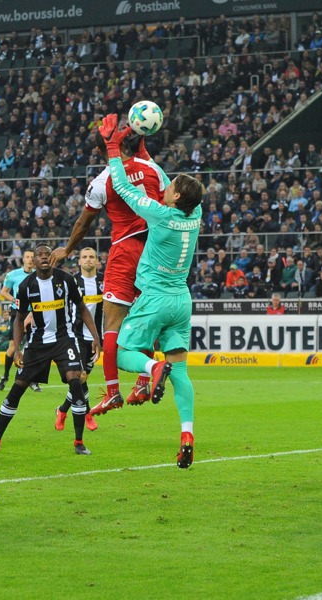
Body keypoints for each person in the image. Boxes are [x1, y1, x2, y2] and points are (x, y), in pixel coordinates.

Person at [99, 114, 204, 469]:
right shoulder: (196, 213)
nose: (166, 186)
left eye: (170, 185)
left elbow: (125, 189)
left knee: (124, 350)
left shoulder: (160, 215)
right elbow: (176, 186)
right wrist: (141, 145)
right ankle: (187, 434)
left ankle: (152, 367)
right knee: (183, 373)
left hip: (156, 297)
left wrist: (114, 148)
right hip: (182, 302)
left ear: (173, 195)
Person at [50, 132, 164, 415]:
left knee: (111, 325)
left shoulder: (103, 181)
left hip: (125, 251)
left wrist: (67, 249)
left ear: (102, 151)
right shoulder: (152, 169)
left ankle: (113, 392)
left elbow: (84, 222)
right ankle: (142, 383)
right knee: (147, 320)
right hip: (155, 250)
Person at [0, 244, 101, 455]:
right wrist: (18, 349)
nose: (44, 258)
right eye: (40, 255)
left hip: (64, 339)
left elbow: (82, 308)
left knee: (76, 380)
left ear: (52, 259)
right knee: (17, 388)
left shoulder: (65, 280)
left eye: (48, 254)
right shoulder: (26, 286)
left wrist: (95, 337)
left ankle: (79, 442)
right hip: (37, 344)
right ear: (34, 261)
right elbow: (19, 319)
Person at [54, 247, 101, 433]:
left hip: (96, 337)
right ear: (79, 261)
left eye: (91, 257)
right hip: (76, 336)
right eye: (84, 257)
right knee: (79, 376)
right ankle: (87, 412)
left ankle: (63, 409)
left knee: (83, 378)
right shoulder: (71, 281)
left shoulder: (104, 282)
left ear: (97, 261)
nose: (88, 260)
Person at [0, 249, 41, 392]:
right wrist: (14, 300)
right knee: (13, 346)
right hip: (18, 313)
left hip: (35, 312)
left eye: (32, 257)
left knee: (34, 346)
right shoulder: (13, 275)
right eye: (27, 257)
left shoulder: (39, 275)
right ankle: (5, 375)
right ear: (23, 259)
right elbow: (3, 291)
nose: (30, 259)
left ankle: (33, 380)